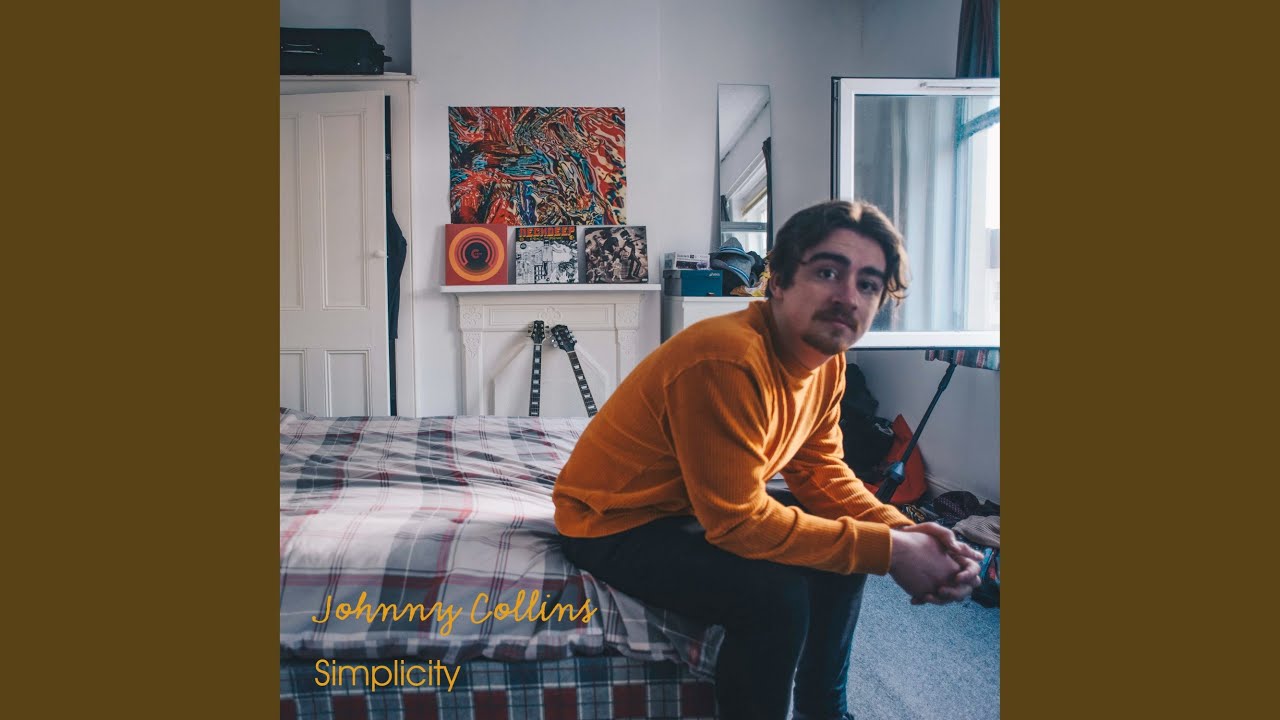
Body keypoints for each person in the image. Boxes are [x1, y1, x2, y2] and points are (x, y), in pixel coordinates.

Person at [553, 199, 983, 720]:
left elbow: (821, 472)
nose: (848, 297)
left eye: (869, 285)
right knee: (776, 598)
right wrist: (891, 550)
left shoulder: (828, 363)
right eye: (828, 272)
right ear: (777, 281)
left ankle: (825, 713)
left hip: (690, 505)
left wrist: (907, 533)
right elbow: (736, 523)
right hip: (612, 521)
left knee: (845, 541)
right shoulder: (728, 358)